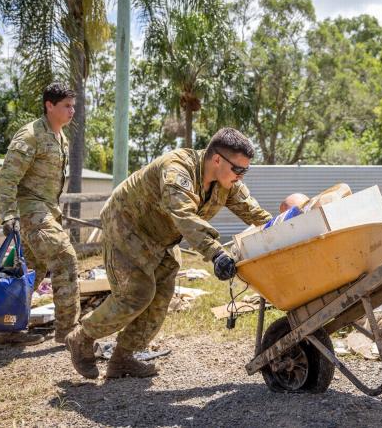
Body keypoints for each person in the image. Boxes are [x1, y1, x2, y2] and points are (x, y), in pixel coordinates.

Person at [65, 128, 272, 379]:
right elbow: (184, 216)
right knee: (136, 293)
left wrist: (282, 229)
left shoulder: (226, 181)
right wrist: (217, 254)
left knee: (161, 295)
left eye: (244, 171)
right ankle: (82, 337)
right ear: (217, 159)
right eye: (238, 170)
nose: (241, 177)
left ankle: (123, 357)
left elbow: (254, 213)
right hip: (128, 225)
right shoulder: (177, 169)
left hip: (163, 235)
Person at [0, 82, 81, 347]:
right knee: (64, 257)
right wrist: (8, 215)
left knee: (31, 269)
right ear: (49, 105)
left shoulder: (60, 137)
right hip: (30, 211)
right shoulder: (30, 135)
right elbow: (7, 178)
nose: (72, 111)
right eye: (66, 106)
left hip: (46, 212)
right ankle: (69, 332)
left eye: (73, 105)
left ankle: (7, 329)